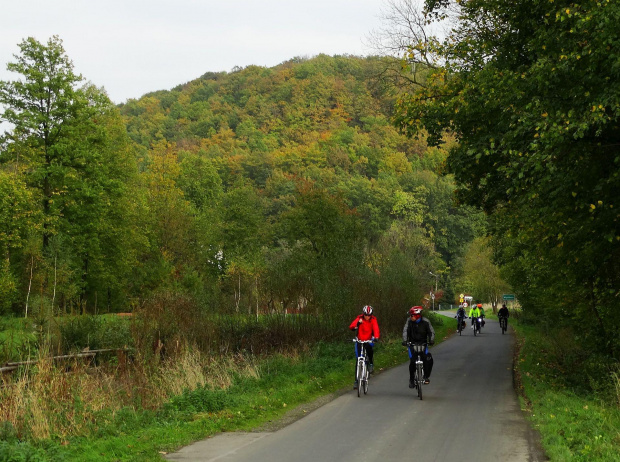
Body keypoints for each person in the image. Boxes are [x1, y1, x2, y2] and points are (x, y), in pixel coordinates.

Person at [402, 306, 435, 386]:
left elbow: (431, 332)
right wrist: (405, 341)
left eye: (412, 315)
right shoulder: (409, 321)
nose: (410, 317)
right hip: (412, 344)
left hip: (423, 344)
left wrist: (431, 340)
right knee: (412, 362)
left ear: (417, 316)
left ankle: (426, 376)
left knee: (428, 359)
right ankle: (412, 379)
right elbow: (405, 331)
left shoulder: (426, 322)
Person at [349, 305, 380, 389]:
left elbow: (376, 329)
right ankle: (356, 381)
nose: (367, 317)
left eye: (369, 315)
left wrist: (376, 337)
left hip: (368, 340)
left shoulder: (373, 320)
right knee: (358, 359)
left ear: (371, 315)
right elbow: (352, 326)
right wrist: (358, 323)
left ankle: (371, 363)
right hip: (360, 340)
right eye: (366, 315)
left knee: (370, 350)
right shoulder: (359, 318)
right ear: (363, 314)